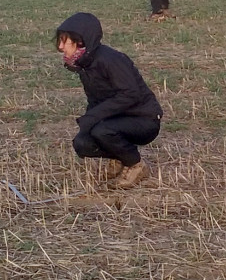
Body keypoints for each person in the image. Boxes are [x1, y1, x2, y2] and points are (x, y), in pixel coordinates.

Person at [56, 12, 163, 189]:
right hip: (117, 118)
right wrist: (89, 121)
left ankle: (135, 165)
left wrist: (94, 117)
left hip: (144, 119)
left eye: (64, 41)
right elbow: (96, 99)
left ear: (80, 41)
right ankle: (119, 157)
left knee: (102, 131)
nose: (60, 46)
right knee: (82, 144)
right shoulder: (85, 65)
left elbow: (130, 95)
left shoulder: (111, 60)